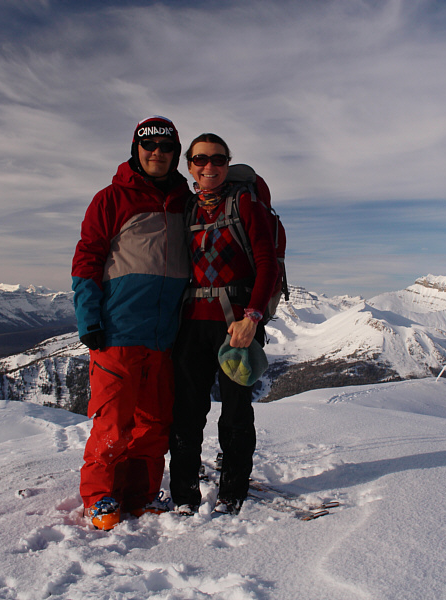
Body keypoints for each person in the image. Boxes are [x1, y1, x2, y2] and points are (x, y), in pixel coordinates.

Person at [71, 115, 190, 530]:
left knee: (154, 423)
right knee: (113, 420)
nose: (157, 152)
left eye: (166, 147)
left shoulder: (183, 202)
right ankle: (99, 496)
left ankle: (140, 494)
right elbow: (87, 258)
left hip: (163, 335)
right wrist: (89, 317)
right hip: (118, 330)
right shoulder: (111, 198)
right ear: (136, 149)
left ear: (176, 154)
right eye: (149, 145)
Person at [169, 133, 279, 516]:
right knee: (186, 410)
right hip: (192, 323)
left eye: (217, 159)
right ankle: (183, 493)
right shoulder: (187, 208)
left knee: (235, 411)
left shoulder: (244, 203)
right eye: (200, 159)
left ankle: (233, 489)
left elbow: (267, 263)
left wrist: (253, 317)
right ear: (190, 165)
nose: (209, 166)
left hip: (237, 324)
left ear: (227, 163)